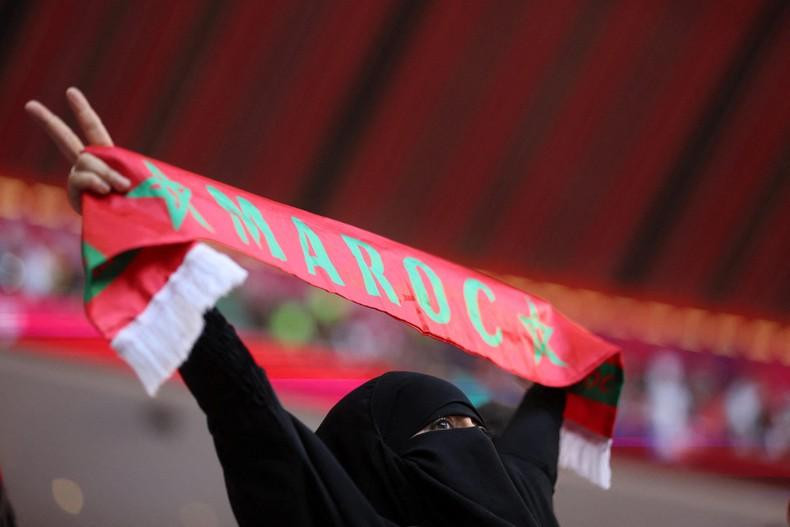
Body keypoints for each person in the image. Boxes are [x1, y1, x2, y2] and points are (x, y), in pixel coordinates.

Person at [26, 88, 567, 526]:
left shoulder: (523, 505)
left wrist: (573, 361)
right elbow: (244, 405)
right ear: (374, 466)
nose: (464, 444)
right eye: (436, 432)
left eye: (464, 424)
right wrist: (138, 236)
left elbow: (538, 435)